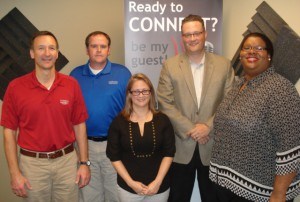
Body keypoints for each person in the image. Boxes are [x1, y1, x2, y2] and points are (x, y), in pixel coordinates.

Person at [209, 32, 300, 202]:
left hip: (259, 193)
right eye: (247, 48)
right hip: (224, 186)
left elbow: (291, 149)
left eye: (259, 48)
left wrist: (279, 194)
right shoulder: (238, 85)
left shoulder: (280, 89)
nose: (252, 52)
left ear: (269, 56)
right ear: (241, 53)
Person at [1, 31, 90, 202]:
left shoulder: (71, 84)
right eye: (41, 48)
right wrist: (14, 173)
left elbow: (79, 125)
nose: (47, 53)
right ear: (32, 53)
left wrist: (84, 163)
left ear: (57, 53)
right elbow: (9, 133)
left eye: (51, 48)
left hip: (67, 163)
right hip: (32, 165)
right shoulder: (15, 87)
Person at [157, 14, 235, 202]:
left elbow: (231, 101)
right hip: (181, 149)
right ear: (182, 37)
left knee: (214, 198)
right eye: (187, 35)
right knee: (177, 198)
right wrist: (192, 129)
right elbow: (164, 103)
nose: (192, 38)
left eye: (196, 33)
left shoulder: (224, 65)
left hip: (214, 147)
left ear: (205, 34)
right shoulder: (170, 65)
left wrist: (208, 126)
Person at [70, 31, 132, 202]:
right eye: (94, 46)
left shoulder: (123, 74)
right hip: (84, 146)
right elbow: (70, 114)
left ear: (109, 50)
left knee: (116, 195)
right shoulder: (75, 76)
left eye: (103, 46)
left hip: (114, 145)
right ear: (87, 50)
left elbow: (132, 110)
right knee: (89, 196)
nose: (98, 50)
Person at [106, 73, 175, 202]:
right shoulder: (118, 123)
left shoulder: (163, 120)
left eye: (145, 91)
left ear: (151, 93)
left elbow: (169, 153)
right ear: (129, 94)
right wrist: (131, 183)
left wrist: (158, 182)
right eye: (136, 92)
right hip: (128, 189)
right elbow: (114, 156)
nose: (141, 95)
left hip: (158, 188)